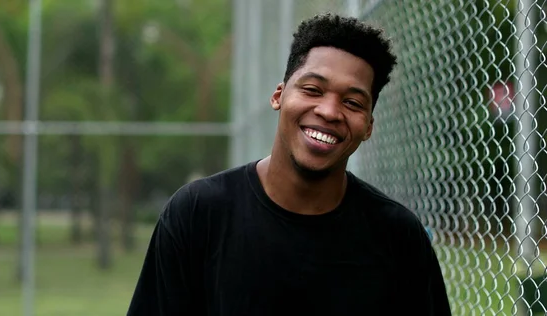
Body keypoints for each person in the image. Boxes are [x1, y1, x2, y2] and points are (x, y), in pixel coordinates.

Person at [127, 13, 452, 316]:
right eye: (312, 90)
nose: (328, 111)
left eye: (352, 102)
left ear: (368, 126)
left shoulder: (399, 237)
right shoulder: (198, 213)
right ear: (279, 96)